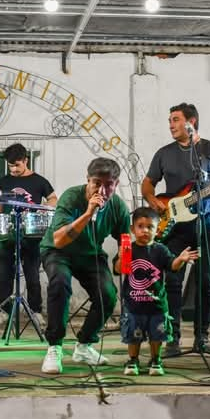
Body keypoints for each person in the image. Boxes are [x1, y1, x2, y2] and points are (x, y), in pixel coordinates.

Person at [142, 103, 210, 356]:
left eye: (175, 120)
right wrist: (154, 201)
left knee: (205, 281)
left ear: (191, 122)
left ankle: (202, 336)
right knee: (173, 280)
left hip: (207, 222)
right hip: (175, 227)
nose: (171, 125)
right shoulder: (164, 153)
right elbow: (148, 183)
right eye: (169, 120)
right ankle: (173, 338)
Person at [40, 157, 131, 374]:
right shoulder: (71, 198)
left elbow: (124, 241)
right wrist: (88, 213)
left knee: (108, 295)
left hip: (91, 254)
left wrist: (123, 260)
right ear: (87, 180)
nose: (101, 189)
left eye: (108, 184)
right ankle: (54, 346)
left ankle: (84, 345)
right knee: (60, 283)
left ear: (116, 184)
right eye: (96, 183)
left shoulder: (118, 207)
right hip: (58, 251)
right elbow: (60, 239)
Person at [115, 207, 198, 376]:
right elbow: (119, 269)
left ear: (157, 229)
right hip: (134, 305)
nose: (145, 230)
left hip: (157, 306)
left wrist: (180, 259)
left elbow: (172, 266)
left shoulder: (160, 250)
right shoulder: (128, 249)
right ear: (132, 229)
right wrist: (122, 256)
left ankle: (156, 360)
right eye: (140, 226)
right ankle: (133, 360)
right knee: (133, 335)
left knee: (157, 336)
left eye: (150, 227)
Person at [0, 143, 57, 328]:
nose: (13, 169)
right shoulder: (3, 181)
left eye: (17, 165)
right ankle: (4, 311)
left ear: (26, 160)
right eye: (10, 166)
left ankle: (35, 311)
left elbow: (53, 199)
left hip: (32, 236)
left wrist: (45, 209)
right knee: (5, 275)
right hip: (9, 236)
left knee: (32, 275)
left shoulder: (39, 181)